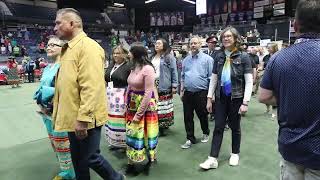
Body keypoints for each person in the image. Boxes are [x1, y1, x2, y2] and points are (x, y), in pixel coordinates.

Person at [52, 8, 125, 180]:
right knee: (78, 160)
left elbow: (91, 86)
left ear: (72, 23)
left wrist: (83, 119)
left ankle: (117, 178)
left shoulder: (89, 47)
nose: (54, 27)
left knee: (91, 157)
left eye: (58, 23)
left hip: (85, 117)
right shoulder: (68, 48)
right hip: (73, 115)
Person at [259, 0, 320, 179]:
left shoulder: (278, 58)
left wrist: (290, 96)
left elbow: (263, 96)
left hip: (291, 147)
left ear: (295, 25)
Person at [200, 26, 253, 170]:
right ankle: (212, 158)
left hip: (236, 98)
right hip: (221, 97)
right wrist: (209, 98)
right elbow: (214, 78)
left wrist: (245, 102)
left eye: (229, 36)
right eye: (224, 37)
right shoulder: (218, 56)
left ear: (236, 39)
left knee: (235, 127)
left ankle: (235, 153)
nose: (226, 38)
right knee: (218, 127)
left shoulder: (244, 57)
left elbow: (249, 81)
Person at [33, 36, 75, 180]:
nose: (49, 47)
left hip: (60, 113)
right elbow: (41, 88)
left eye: (53, 45)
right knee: (55, 144)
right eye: (48, 45)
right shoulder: (47, 68)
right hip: (46, 113)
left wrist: (45, 93)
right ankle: (64, 171)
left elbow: (64, 90)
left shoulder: (65, 67)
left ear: (62, 48)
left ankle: (71, 174)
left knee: (64, 144)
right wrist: (40, 100)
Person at [125, 43, 158, 175]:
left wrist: (138, 115)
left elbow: (148, 93)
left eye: (130, 52)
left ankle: (151, 156)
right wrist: (126, 105)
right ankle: (132, 161)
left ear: (136, 53)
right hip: (132, 104)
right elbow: (130, 86)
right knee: (133, 133)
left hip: (145, 106)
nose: (128, 54)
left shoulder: (148, 69)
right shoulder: (134, 66)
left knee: (148, 133)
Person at [180, 36, 213, 149]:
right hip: (188, 93)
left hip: (201, 92)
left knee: (202, 115)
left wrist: (210, 95)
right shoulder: (185, 60)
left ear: (200, 44)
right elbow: (183, 76)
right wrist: (182, 90)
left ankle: (205, 132)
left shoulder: (208, 59)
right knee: (187, 116)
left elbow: (211, 78)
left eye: (195, 43)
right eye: (191, 43)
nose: (193, 45)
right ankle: (190, 138)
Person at [104, 45, 131, 149]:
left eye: (118, 53)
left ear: (124, 54)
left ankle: (124, 143)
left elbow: (130, 82)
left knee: (121, 120)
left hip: (121, 96)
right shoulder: (111, 65)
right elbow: (107, 78)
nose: (115, 55)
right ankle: (114, 141)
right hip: (110, 96)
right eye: (114, 53)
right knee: (112, 119)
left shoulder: (128, 66)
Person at [151, 38, 178, 136]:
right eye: (156, 43)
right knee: (154, 103)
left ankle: (162, 127)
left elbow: (174, 71)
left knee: (163, 106)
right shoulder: (152, 57)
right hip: (152, 84)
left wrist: (174, 85)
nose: (156, 45)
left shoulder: (168, 57)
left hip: (164, 84)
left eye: (159, 43)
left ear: (164, 45)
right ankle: (155, 124)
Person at [262, 43, 278, 118]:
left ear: (274, 48)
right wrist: (260, 69)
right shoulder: (266, 57)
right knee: (266, 94)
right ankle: (267, 108)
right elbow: (262, 65)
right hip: (266, 76)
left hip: (275, 76)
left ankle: (274, 111)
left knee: (274, 94)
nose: (268, 49)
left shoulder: (278, 55)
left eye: (269, 48)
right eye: (267, 48)